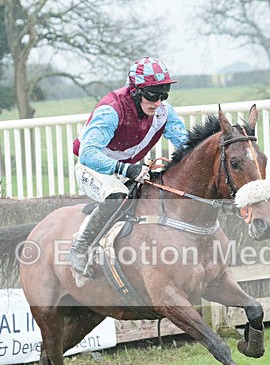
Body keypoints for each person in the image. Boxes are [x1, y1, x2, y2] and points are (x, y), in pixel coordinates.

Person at [69, 56, 189, 279]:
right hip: (94, 167)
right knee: (118, 195)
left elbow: (186, 145)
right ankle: (79, 248)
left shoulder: (164, 112)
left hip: (128, 168)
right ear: (135, 91)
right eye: (152, 95)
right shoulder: (111, 110)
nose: (158, 102)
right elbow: (87, 154)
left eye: (163, 95)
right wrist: (127, 170)